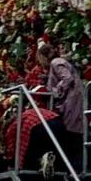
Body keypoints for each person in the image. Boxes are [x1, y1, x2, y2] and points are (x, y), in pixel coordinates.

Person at [37, 41, 87, 169]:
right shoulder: (57, 63)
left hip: (72, 102)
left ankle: (75, 166)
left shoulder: (55, 62)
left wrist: (55, 91)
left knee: (72, 133)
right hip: (72, 101)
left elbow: (67, 78)